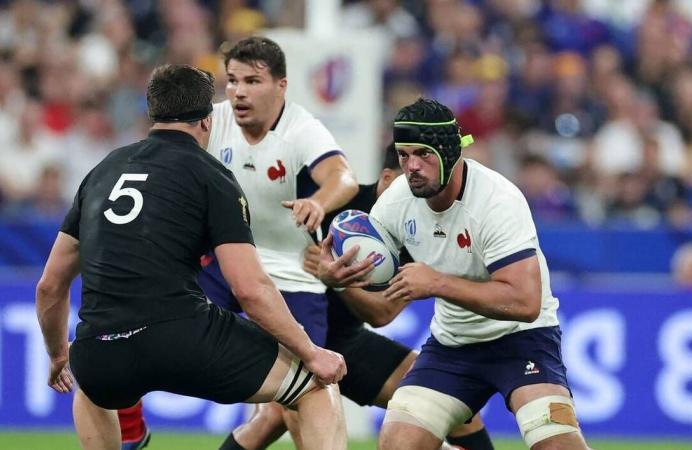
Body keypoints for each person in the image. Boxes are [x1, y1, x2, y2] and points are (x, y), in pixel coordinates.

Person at [35, 64, 347, 450]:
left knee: (94, 386)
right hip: (181, 336)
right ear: (207, 120)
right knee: (315, 386)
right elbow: (249, 288)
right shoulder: (211, 176)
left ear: (152, 113)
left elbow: (50, 286)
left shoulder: (102, 172)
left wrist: (58, 356)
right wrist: (310, 352)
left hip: (101, 347)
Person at [117, 36, 359, 450]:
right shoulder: (212, 121)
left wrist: (319, 203)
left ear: (281, 86)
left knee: (305, 390)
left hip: (290, 274)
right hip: (223, 264)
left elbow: (344, 177)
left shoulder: (301, 128)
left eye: (252, 80)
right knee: (131, 320)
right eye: (231, 80)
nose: (239, 91)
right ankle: (130, 425)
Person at [319, 98, 591, 450]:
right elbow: (383, 303)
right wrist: (340, 278)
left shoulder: (497, 201)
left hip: (522, 340)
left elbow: (525, 302)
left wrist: (437, 283)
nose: (412, 166)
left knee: (556, 444)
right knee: (397, 444)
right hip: (452, 346)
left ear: (450, 152)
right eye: (404, 155)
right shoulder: (397, 201)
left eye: (423, 154)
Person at [196, 144, 496, 450]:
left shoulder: (422, 233)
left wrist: (337, 281)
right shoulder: (337, 206)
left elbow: (382, 314)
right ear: (388, 178)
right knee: (276, 415)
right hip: (297, 339)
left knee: (449, 397)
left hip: (346, 341)